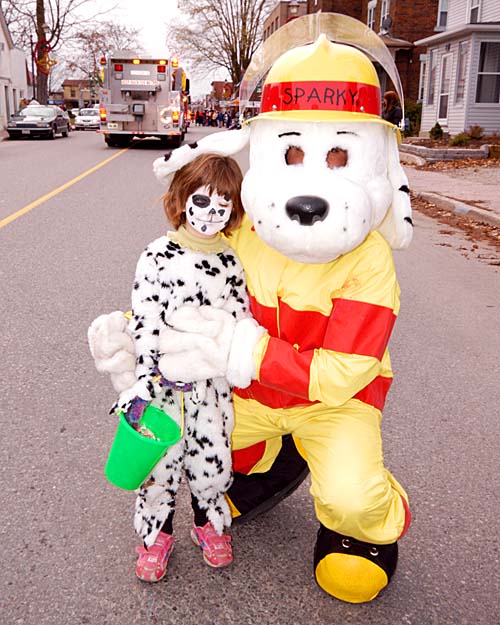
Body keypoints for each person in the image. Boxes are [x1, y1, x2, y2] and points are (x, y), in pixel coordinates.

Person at [93, 153, 249, 583]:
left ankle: (208, 522)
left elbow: (238, 322)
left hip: (211, 388)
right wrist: (142, 380)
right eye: (202, 202)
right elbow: (145, 320)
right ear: (181, 200)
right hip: (161, 386)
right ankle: (156, 535)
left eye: (223, 206)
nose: (211, 214)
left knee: (212, 460)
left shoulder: (231, 263)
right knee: (158, 467)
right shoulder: (158, 255)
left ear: (233, 211)